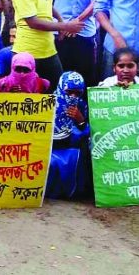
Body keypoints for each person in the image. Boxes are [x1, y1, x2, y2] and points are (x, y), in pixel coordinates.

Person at [12, 0, 81, 90]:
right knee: (28, 95)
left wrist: (60, 20)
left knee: (58, 89)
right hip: (28, 51)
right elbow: (33, 22)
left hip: (48, 48)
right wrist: (66, 26)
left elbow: (47, 5)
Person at [46, 71, 90, 200]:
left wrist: (80, 120)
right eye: (69, 92)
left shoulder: (82, 105)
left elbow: (88, 133)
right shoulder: (48, 103)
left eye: (77, 93)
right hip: (49, 149)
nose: (73, 96)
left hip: (71, 149)